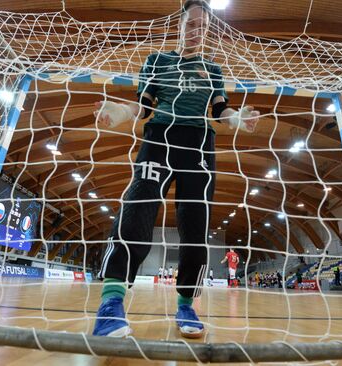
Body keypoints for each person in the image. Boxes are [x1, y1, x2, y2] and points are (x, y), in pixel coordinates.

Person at [92, 0, 260, 339]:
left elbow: (220, 110)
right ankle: (111, 304)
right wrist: (121, 112)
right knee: (138, 206)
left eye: (203, 27)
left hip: (199, 145)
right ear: (179, 26)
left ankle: (186, 304)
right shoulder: (158, 60)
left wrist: (239, 119)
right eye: (191, 25)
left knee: (196, 225)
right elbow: (144, 106)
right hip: (159, 139)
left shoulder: (212, 69)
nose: (197, 32)